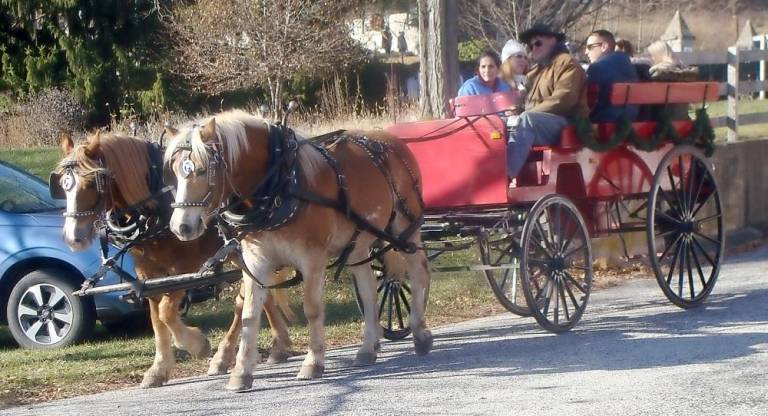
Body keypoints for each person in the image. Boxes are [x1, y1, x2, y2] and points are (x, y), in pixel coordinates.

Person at [507, 23, 588, 180]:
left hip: (567, 123)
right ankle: (490, 174)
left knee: (527, 120)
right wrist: (515, 110)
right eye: (530, 46)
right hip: (542, 123)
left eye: (537, 43)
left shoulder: (567, 63)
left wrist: (526, 113)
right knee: (498, 125)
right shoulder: (536, 71)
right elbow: (524, 101)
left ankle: (505, 176)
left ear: (553, 40)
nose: (533, 48)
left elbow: (563, 100)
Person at [584, 29, 638, 123]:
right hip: (629, 119)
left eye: (590, 47)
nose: (586, 52)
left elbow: (588, 103)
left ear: (604, 46)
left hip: (604, 121)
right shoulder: (629, 66)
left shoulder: (597, 68)